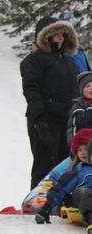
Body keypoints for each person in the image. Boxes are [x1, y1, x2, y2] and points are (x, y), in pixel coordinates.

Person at [20, 16, 79, 190]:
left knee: (65, 166)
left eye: (63, 33)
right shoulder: (34, 60)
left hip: (67, 122)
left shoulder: (70, 62)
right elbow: (31, 91)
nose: (60, 37)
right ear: (45, 35)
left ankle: (59, 204)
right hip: (44, 120)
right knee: (44, 165)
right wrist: (39, 120)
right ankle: (36, 205)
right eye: (55, 33)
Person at [35, 130, 92, 226]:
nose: (83, 153)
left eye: (86, 150)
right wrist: (46, 208)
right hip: (83, 199)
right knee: (83, 193)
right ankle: (90, 219)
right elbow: (60, 187)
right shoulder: (78, 170)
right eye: (80, 150)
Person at [67, 71, 92, 146]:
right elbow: (71, 127)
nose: (91, 88)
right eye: (87, 86)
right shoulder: (76, 107)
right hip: (81, 146)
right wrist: (72, 142)